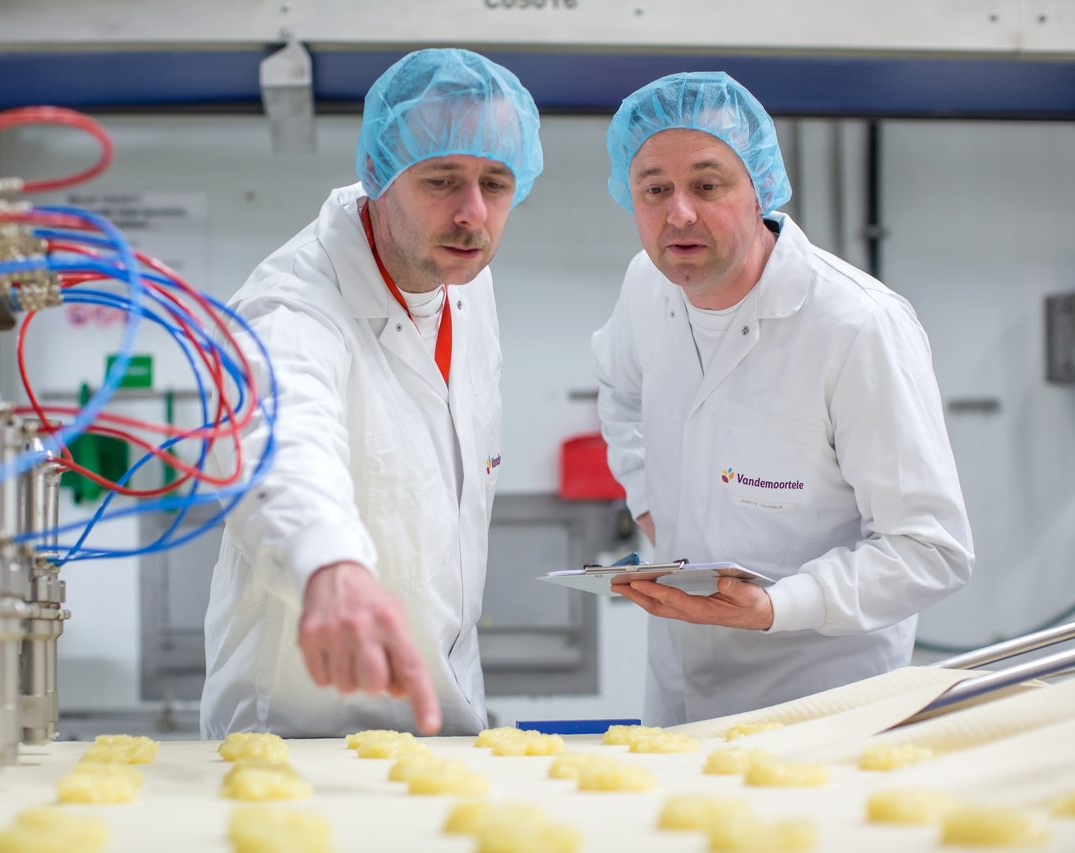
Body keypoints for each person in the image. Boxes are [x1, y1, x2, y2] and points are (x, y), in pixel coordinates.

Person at [592, 71, 974, 725]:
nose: (677, 212)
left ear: (760, 187)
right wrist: (652, 504)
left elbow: (931, 549)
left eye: (708, 185)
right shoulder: (646, 288)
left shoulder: (857, 326)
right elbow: (621, 394)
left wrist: (778, 605)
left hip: (826, 705)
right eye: (654, 189)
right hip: (680, 692)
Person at [200, 49, 543, 738]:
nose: (472, 213)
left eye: (496, 182)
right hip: (301, 736)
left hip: (444, 722)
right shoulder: (292, 306)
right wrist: (329, 564)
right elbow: (282, 440)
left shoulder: (465, 286)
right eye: (441, 179)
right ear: (379, 174)